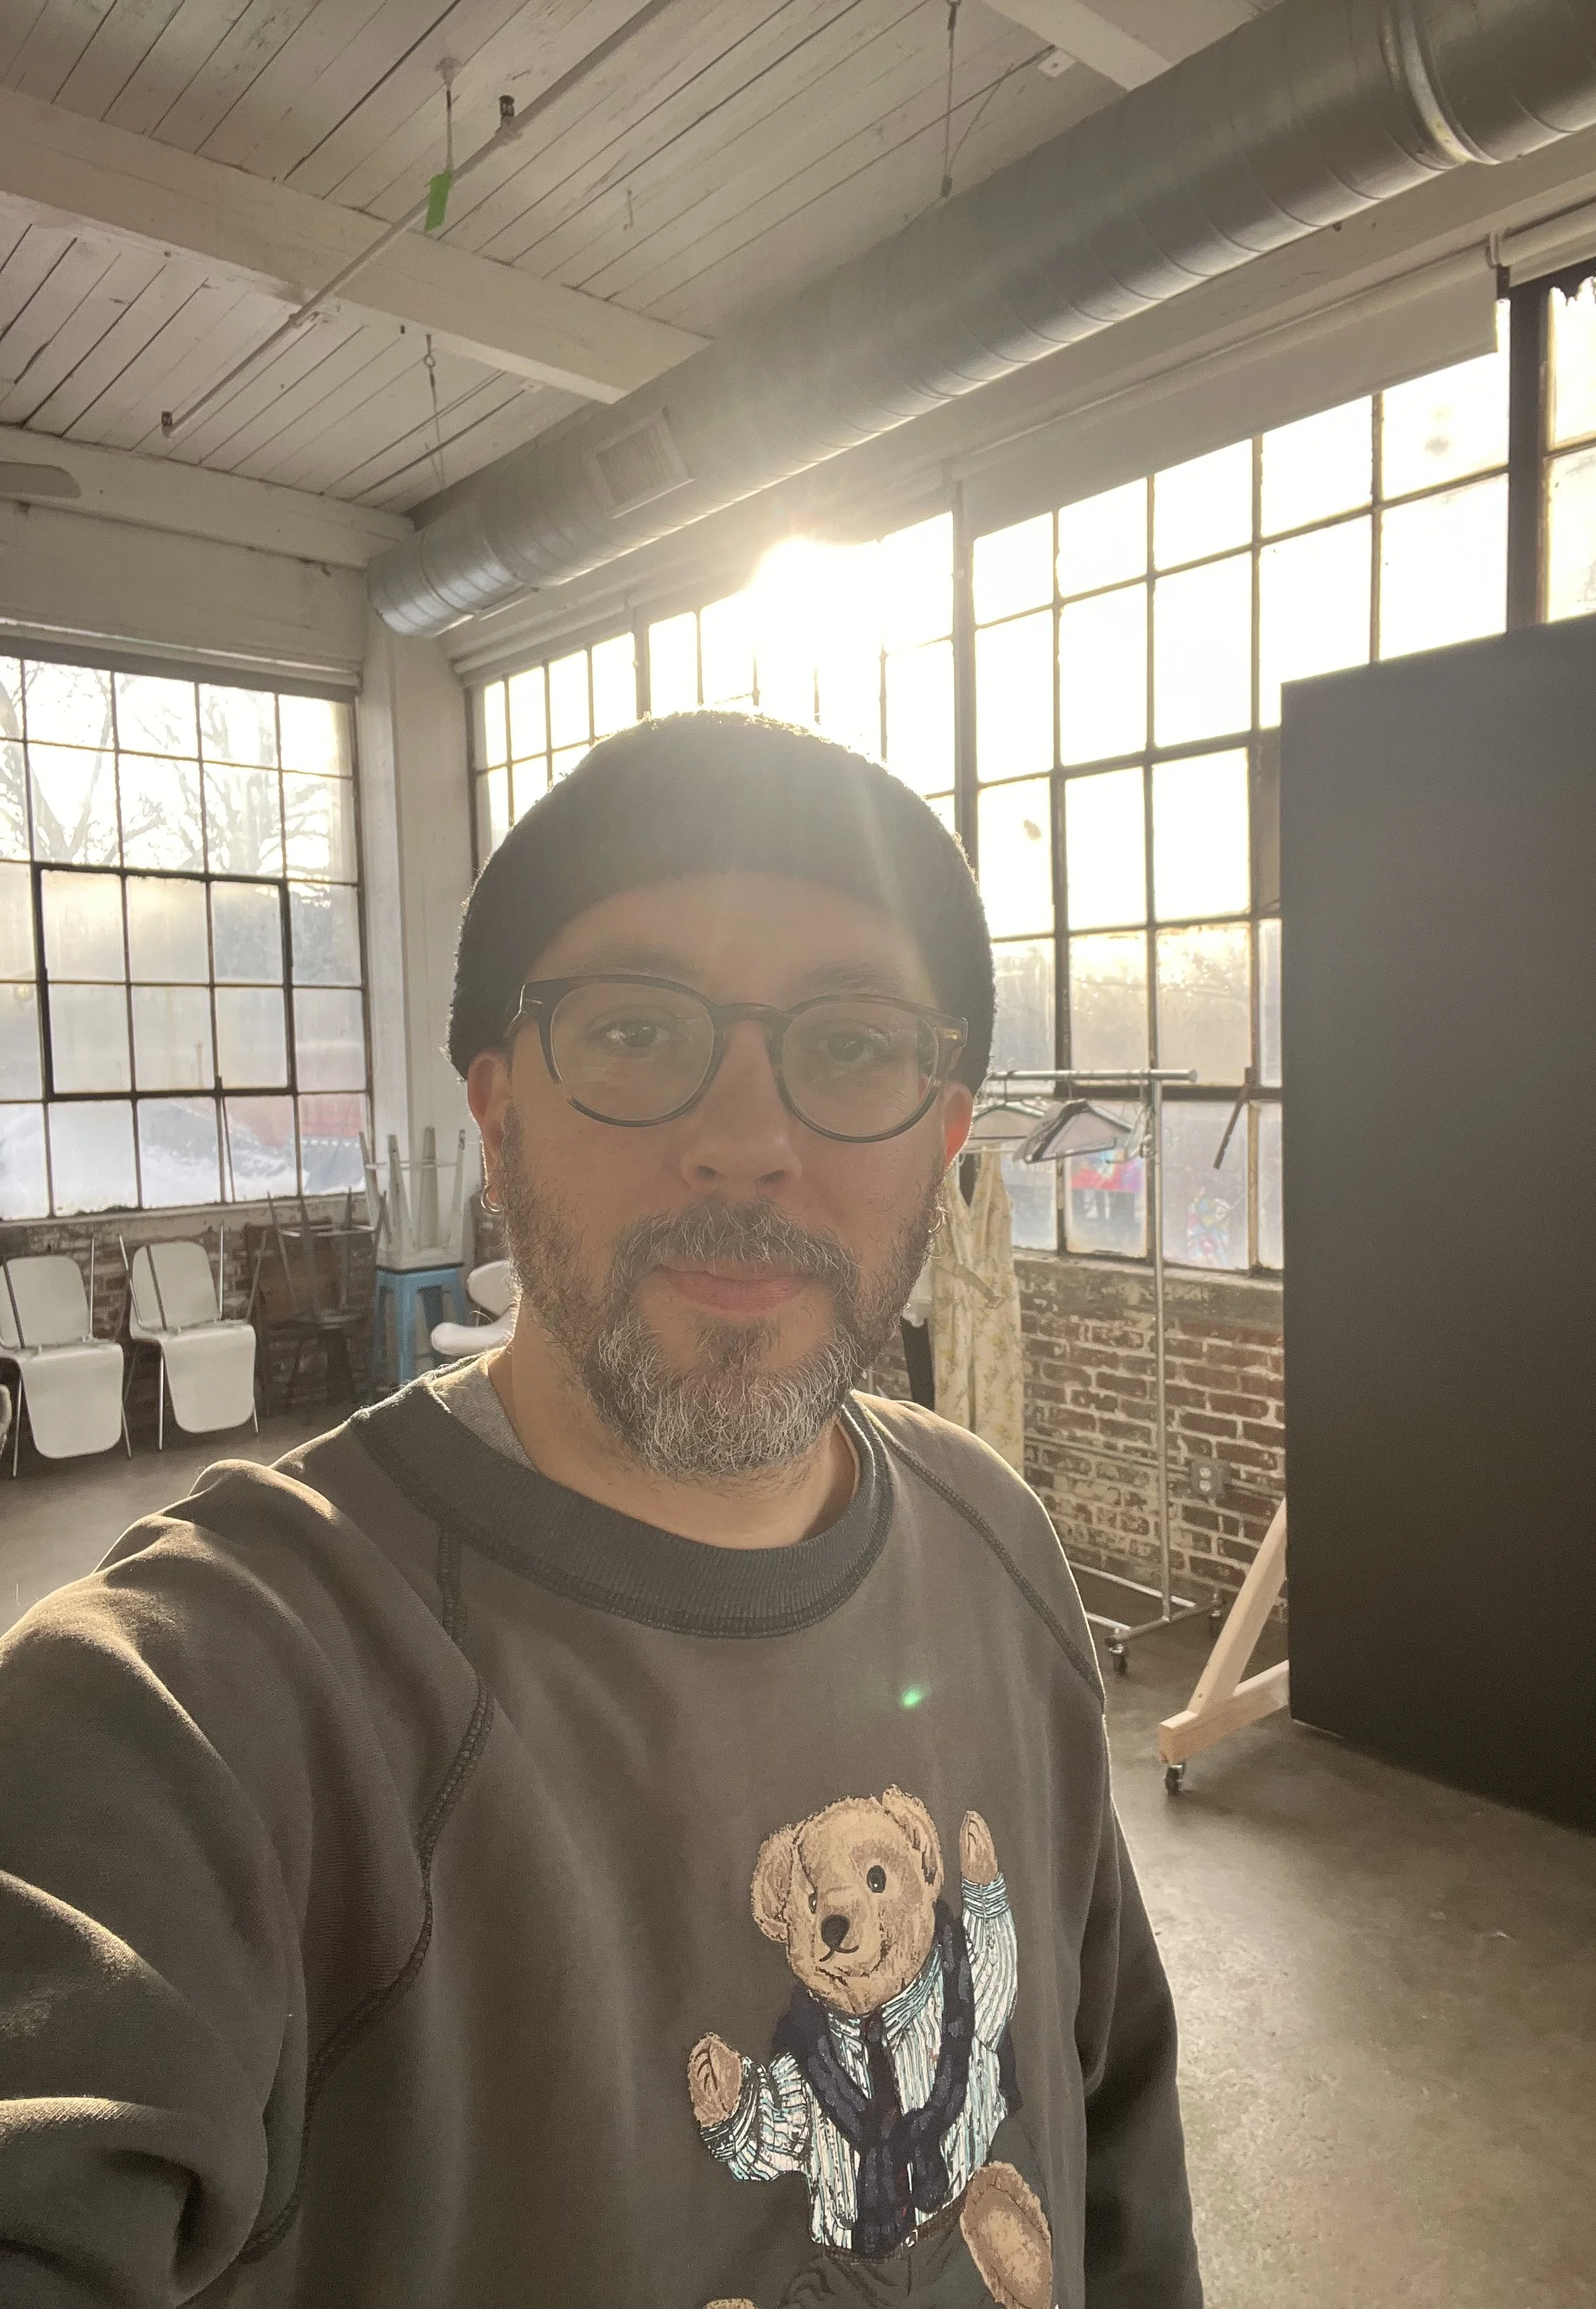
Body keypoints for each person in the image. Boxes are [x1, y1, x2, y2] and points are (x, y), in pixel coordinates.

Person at [0, 711, 1202, 2309]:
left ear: (943, 1136)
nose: (746, 1144)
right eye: (637, 1029)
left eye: (851, 1046)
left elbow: (1113, 2155)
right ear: (497, 1118)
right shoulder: (209, 1700)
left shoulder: (997, 1545)